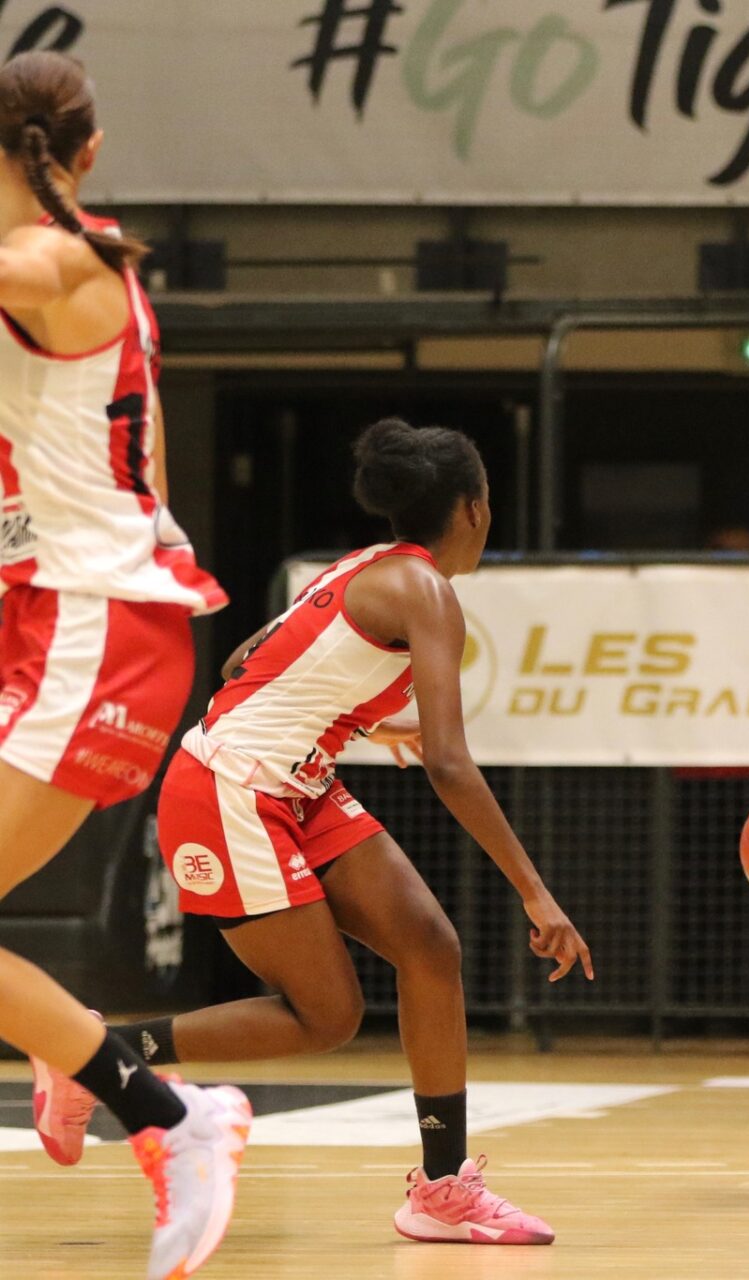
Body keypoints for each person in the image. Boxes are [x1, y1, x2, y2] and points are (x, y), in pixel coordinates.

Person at [32, 418, 594, 1246]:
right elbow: (450, 764)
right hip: (230, 790)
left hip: (295, 783)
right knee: (326, 1016)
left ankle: (442, 1191)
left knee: (430, 948)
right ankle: (96, 1054)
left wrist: (343, 728)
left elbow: (242, 666)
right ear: (474, 509)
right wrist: (537, 895)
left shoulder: (364, 567)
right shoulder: (428, 592)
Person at [0, 51, 252, 1280]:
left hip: (93, 622)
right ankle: (61, 1037)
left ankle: (167, 1113)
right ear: (89, 147)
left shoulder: (55, 264)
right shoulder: (76, 255)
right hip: (45, 617)